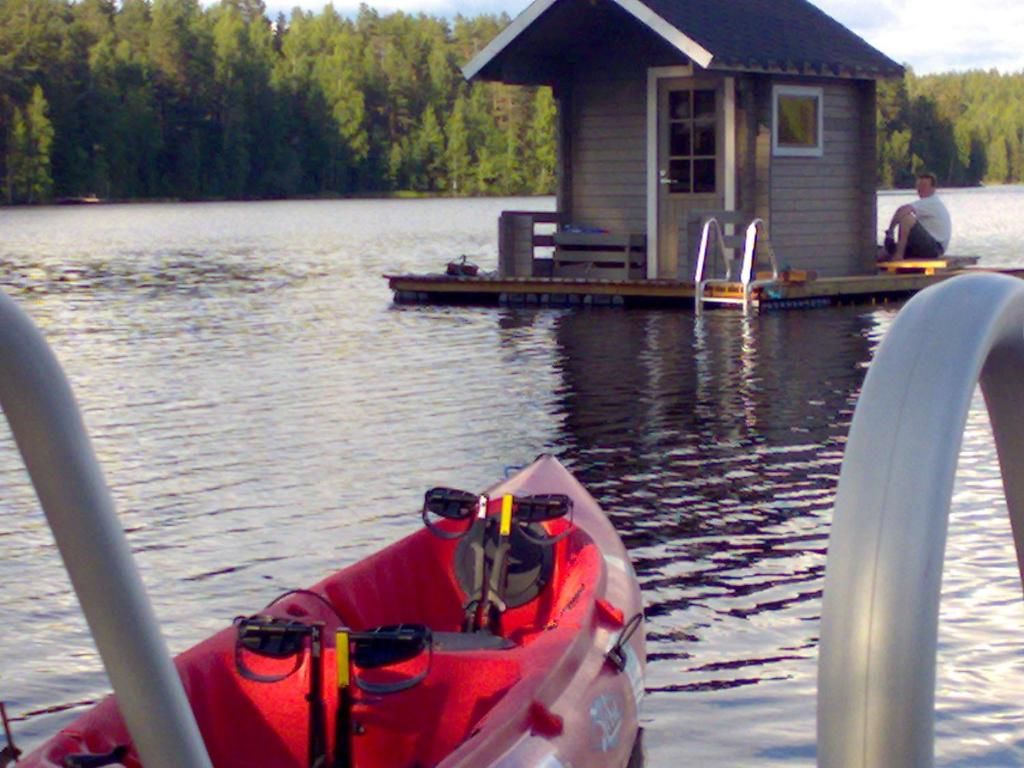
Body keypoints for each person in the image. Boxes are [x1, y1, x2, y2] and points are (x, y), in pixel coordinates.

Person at [883, 172, 952, 261]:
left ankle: (898, 256)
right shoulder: (926, 203)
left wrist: (890, 231)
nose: (920, 188)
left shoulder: (932, 202)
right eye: (918, 185)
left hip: (935, 248)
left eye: (924, 186)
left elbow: (902, 210)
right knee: (885, 250)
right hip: (925, 246)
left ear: (933, 188)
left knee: (906, 218)